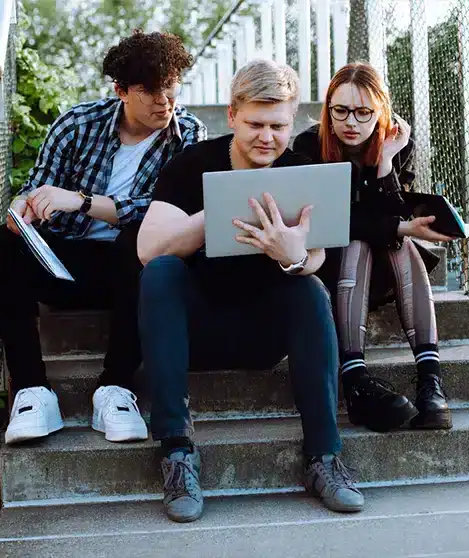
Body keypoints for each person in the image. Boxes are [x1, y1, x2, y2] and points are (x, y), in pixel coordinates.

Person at [137, 59, 364, 523]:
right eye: (255, 124)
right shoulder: (192, 165)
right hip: (193, 334)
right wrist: (224, 208)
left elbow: (316, 261)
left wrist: (293, 252)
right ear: (232, 114)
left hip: (264, 334)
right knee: (160, 274)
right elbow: (148, 250)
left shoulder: (302, 171)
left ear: (292, 121)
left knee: (310, 290)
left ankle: (324, 457)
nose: (267, 137)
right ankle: (178, 454)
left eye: (278, 126)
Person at [0, 30, 206, 445]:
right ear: (121, 90)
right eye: (151, 92)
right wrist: (25, 208)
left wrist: (82, 201)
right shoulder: (77, 124)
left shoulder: (189, 135)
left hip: (138, 276)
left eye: (172, 90)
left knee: (140, 241)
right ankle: (33, 391)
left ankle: (116, 390)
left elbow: (173, 214)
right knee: (2, 243)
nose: (165, 102)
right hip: (68, 266)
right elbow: (40, 187)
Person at [293, 62, 453, 431]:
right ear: (328, 109)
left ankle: (430, 381)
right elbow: (333, 223)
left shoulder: (398, 144)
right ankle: (354, 375)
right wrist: (397, 225)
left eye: (364, 112)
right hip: (331, 265)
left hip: (383, 272)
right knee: (360, 239)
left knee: (398, 243)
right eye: (341, 110)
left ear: (380, 110)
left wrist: (385, 162)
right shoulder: (308, 146)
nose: (351, 121)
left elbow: (394, 214)